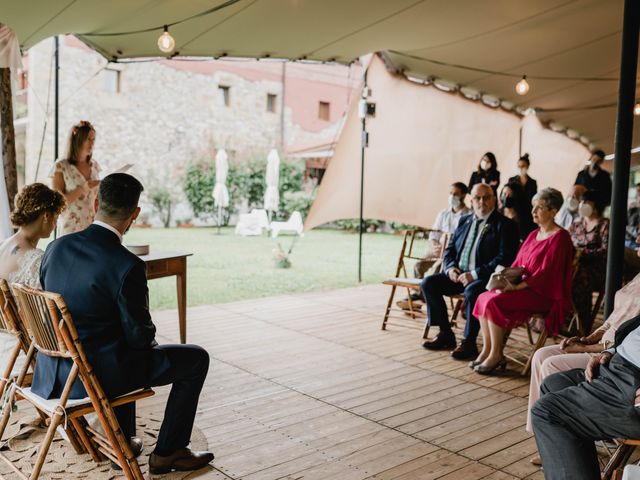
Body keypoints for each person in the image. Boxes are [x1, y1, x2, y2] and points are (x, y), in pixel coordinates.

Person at [32, 173, 214, 474]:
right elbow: (141, 338)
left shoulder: (56, 247)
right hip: (94, 376)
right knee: (195, 359)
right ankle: (169, 452)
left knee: (115, 342)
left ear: (95, 202)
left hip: (53, 370)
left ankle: (125, 438)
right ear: (135, 214)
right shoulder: (127, 265)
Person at [525, 272, 640, 466]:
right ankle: (558, 450)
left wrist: (590, 348)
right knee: (553, 379)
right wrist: (603, 346)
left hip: (630, 378)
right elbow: (622, 324)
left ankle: (559, 444)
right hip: (616, 357)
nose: (637, 240)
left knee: (547, 409)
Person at [472, 188, 574, 374]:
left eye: (540, 207)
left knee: (494, 302)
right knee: (483, 297)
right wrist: (505, 280)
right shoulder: (533, 234)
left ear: (553, 211)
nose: (533, 211)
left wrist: (516, 287)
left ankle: (496, 353)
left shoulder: (561, 238)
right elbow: (518, 264)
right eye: (533, 206)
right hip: (524, 288)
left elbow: (547, 274)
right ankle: (488, 349)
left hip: (544, 293)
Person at [531, 314, 640, 480]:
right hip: (616, 367)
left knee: (548, 412)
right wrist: (609, 352)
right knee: (554, 383)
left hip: (632, 385)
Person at [421, 183, 519, 360]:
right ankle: (445, 333)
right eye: (477, 198)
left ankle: (469, 341)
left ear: (494, 199)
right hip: (458, 274)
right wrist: (450, 268)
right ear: (471, 200)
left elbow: (505, 258)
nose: (482, 202)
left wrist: (474, 274)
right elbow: (450, 250)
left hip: (485, 277)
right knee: (429, 283)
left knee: (473, 291)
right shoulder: (464, 221)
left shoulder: (505, 225)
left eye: (487, 197)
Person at [397, 182, 471, 311]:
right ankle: (420, 295)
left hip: (452, 253)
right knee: (418, 266)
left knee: (437, 269)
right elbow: (433, 234)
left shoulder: (468, 215)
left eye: (455, 194)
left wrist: (446, 251)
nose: (452, 196)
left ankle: (424, 295)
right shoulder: (443, 213)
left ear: (463, 195)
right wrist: (435, 246)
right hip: (437, 248)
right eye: (450, 193)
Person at [0, 183, 65, 288]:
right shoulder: (36, 260)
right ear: (46, 216)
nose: (55, 225)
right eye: (56, 218)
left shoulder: (2, 245)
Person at [50, 120, 101, 236]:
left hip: (92, 228)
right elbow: (57, 203)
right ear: (78, 140)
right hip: (70, 228)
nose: (92, 144)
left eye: (93, 140)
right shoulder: (61, 166)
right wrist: (82, 188)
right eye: (89, 139)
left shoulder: (95, 166)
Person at [569, 189, 609, 335]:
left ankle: (581, 326)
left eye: (587, 201)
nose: (582, 204)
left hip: (595, 269)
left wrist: (583, 254)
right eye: (582, 201)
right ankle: (564, 319)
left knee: (579, 278)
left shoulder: (604, 225)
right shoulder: (576, 225)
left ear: (596, 205)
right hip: (575, 266)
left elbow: (606, 250)